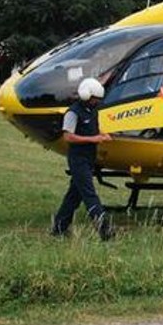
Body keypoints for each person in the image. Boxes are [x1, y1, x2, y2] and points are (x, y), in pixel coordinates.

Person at [51, 77, 115, 240]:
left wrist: (102, 135)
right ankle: (104, 230)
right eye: (95, 99)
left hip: (89, 158)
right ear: (86, 96)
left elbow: (93, 129)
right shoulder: (73, 113)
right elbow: (68, 137)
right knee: (89, 194)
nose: (97, 102)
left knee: (74, 196)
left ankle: (59, 228)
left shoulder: (92, 110)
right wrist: (94, 139)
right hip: (78, 159)